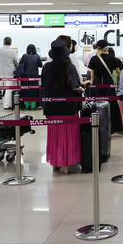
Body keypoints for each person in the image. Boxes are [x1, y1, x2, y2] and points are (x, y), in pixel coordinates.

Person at [41, 39, 83, 174]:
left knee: (55, 136)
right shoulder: (70, 67)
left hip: (52, 108)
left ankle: (55, 163)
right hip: (68, 108)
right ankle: (66, 163)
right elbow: (75, 86)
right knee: (68, 136)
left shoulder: (46, 67)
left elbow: (43, 85)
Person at [88, 40, 123, 133]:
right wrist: (117, 76)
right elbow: (118, 71)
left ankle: (98, 126)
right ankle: (114, 127)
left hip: (98, 83)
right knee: (111, 104)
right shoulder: (111, 58)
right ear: (105, 48)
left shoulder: (94, 59)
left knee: (98, 104)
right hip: (108, 83)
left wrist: (92, 82)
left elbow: (92, 74)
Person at [0, 37, 18, 109]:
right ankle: (6, 106)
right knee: (8, 89)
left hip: (0, 72)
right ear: (10, 43)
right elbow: (16, 62)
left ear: (3, 42)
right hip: (9, 72)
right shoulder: (12, 51)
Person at [18, 44, 42, 110]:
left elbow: (20, 64)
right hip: (34, 76)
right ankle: (34, 106)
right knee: (34, 90)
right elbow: (40, 65)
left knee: (25, 90)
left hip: (25, 76)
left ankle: (27, 106)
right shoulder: (37, 56)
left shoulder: (24, 56)